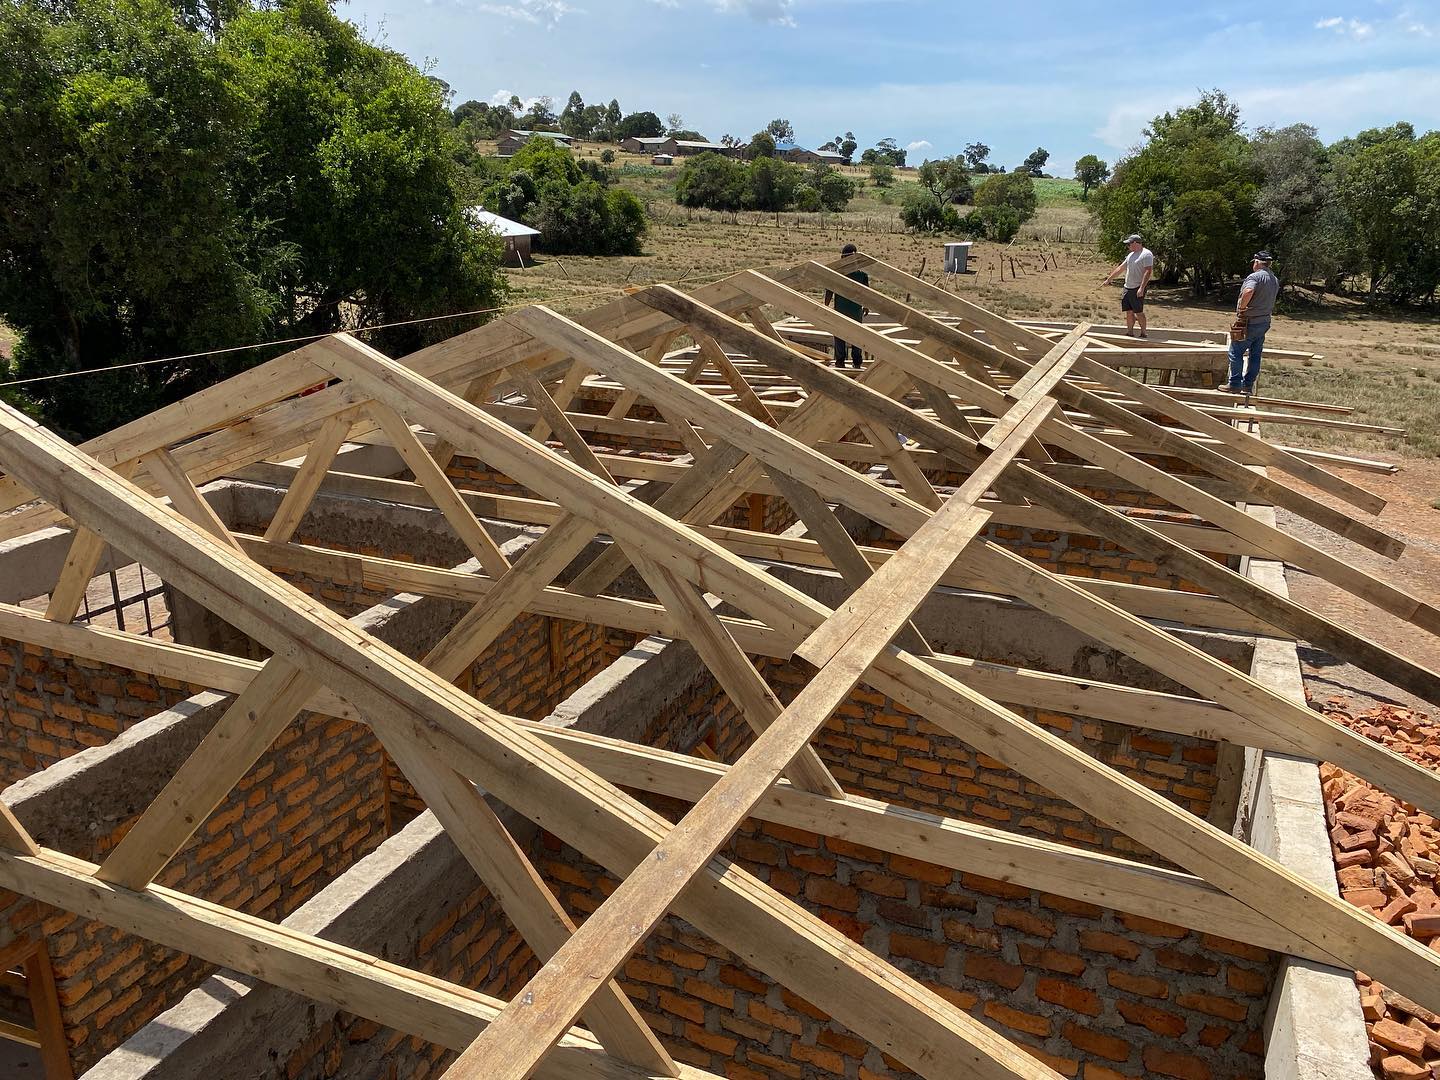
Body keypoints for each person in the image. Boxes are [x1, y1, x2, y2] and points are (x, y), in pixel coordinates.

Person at [1225, 251, 1280, 394]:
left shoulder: (1255, 277)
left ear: (1256, 262)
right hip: (1264, 322)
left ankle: (1235, 384)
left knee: (1235, 351)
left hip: (1250, 321)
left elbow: (1248, 291)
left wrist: (1242, 308)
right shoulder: (1274, 279)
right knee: (1255, 354)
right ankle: (1247, 385)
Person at [823, 242, 868, 368]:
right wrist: (866, 306)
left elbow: (829, 290)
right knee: (856, 336)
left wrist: (825, 305)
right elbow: (867, 294)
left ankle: (841, 361)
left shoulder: (839, 273)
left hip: (842, 309)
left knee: (840, 334)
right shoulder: (861, 274)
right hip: (854, 311)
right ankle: (856, 362)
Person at [1100, 234, 1154, 337]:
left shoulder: (1146, 254)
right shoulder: (1130, 255)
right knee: (1128, 312)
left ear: (1135, 243)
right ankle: (1130, 332)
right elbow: (1121, 268)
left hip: (1137, 287)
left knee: (1138, 312)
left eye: (1129, 244)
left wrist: (1141, 288)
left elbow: (1148, 271)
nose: (1128, 246)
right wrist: (1109, 279)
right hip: (1127, 287)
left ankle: (1143, 333)